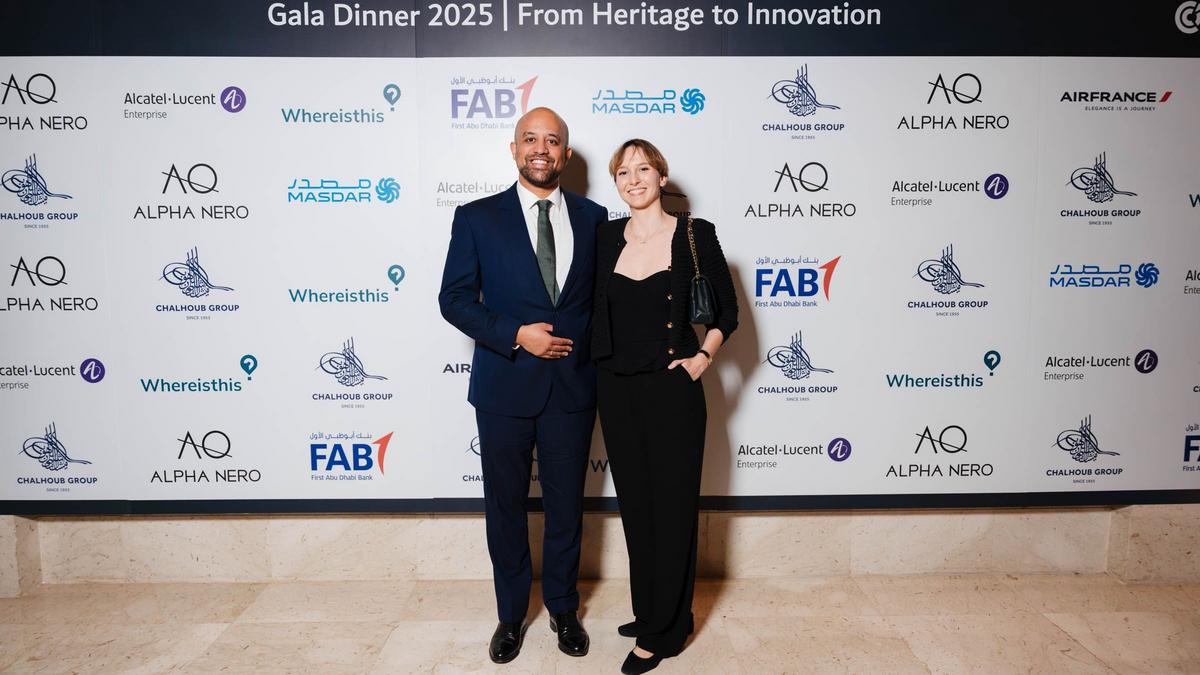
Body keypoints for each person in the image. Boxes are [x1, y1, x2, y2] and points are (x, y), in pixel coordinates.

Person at [438, 107, 607, 664]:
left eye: (552, 141)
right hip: (504, 388)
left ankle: (563, 608)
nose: (541, 149)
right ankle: (511, 615)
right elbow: (453, 300)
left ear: (566, 154)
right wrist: (515, 335)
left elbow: (604, 303)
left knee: (566, 508)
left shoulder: (595, 218)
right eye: (530, 139)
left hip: (572, 389)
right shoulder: (476, 217)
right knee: (505, 507)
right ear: (514, 149)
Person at [592, 139, 738, 674]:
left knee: (672, 508)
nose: (633, 179)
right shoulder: (606, 237)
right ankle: (654, 611)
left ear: (661, 176)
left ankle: (663, 633)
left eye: (643, 169)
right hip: (617, 389)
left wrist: (702, 359)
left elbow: (727, 312)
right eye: (623, 172)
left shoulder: (695, 234)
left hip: (672, 388)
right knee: (637, 508)